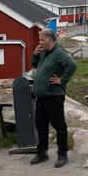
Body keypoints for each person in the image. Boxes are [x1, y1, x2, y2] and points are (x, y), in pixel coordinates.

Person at [30, 29, 77, 168]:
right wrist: (35, 54)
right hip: (41, 96)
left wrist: (61, 80)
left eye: (42, 40)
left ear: (50, 40)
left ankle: (62, 155)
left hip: (54, 96)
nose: (40, 42)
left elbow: (72, 65)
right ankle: (42, 153)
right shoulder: (44, 53)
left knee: (59, 126)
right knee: (41, 125)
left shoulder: (59, 53)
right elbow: (35, 65)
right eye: (39, 39)